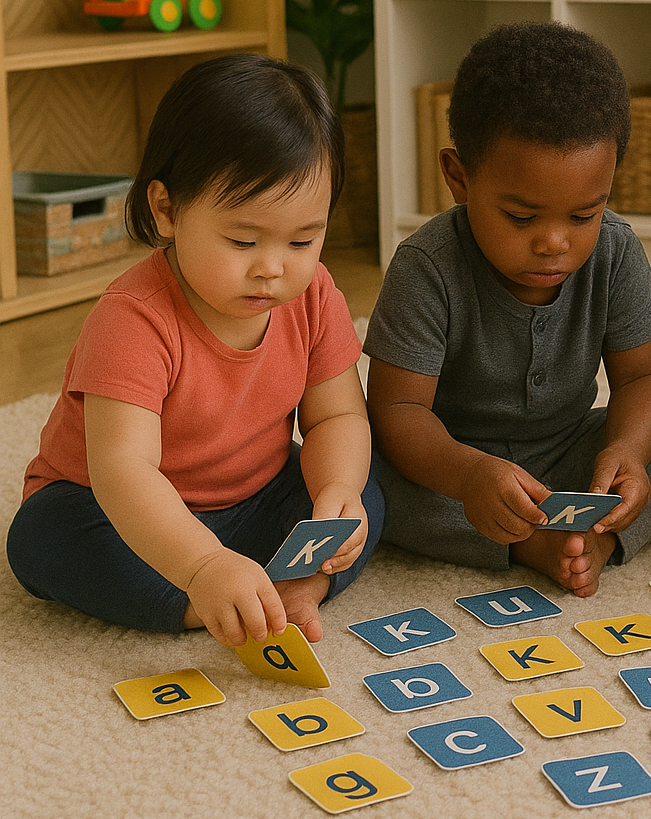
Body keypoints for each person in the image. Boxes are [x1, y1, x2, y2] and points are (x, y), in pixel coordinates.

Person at [7, 54, 383, 646]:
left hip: (255, 497)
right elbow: (124, 472)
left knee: (365, 487)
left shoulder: (313, 295)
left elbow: (337, 414)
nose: (272, 267)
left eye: (303, 239)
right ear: (167, 210)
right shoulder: (133, 320)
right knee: (41, 540)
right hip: (118, 508)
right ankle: (209, 601)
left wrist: (337, 490)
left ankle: (293, 588)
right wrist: (202, 565)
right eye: (242, 240)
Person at [363, 21, 651, 597]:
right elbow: (398, 410)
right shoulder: (427, 265)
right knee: (361, 475)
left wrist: (626, 452)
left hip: (569, 449)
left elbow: (646, 377)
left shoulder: (616, 249)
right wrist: (470, 474)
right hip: (450, 465)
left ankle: (597, 534)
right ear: (459, 177)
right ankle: (527, 542)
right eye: (522, 218)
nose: (555, 242)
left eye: (583, 215)